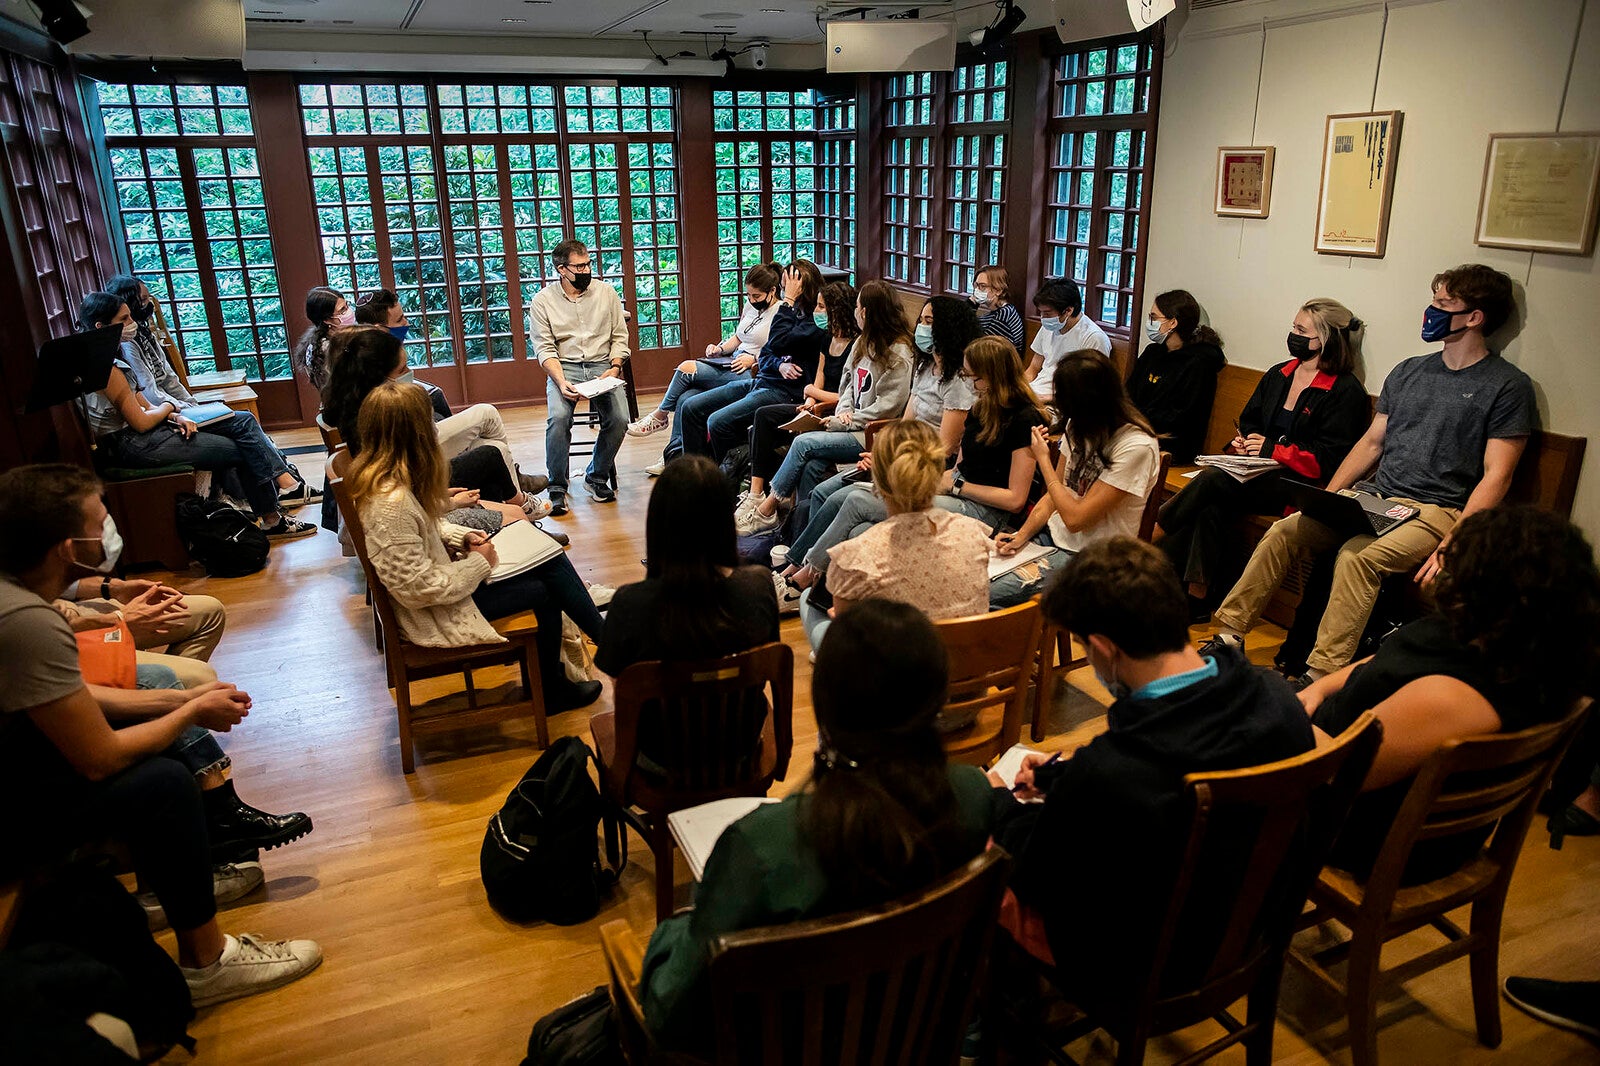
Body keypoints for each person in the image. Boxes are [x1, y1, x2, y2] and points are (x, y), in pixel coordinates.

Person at [0, 464, 322, 1007]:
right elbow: (100, 757)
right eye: (99, 520)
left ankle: (176, 881)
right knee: (163, 783)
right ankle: (207, 961)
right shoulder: (28, 622)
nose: (109, 529)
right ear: (63, 548)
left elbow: (79, 703)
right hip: (10, 813)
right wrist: (190, 713)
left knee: (158, 735)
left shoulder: (16, 596)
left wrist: (184, 702)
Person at [638, 598, 994, 1055]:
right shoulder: (972, 794)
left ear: (823, 705)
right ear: (938, 695)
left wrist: (676, 929)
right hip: (910, 1039)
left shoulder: (762, 846)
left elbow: (670, 1011)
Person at [989, 536, 1313, 999]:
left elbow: (1036, 877)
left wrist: (1000, 798)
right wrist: (1061, 778)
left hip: (1139, 966)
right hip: (1250, 933)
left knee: (976, 850)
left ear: (1103, 648)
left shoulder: (1115, 771)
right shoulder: (1278, 700)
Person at [1207, 265, 1537, 682]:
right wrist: (1326, 499)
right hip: (1376, 496)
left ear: (1474, 318)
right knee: (1285, 530)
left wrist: (1456, 544)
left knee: (1356, 557)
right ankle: (1230, 635)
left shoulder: (1506, 386)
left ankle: (1319, 674)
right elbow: (1370, 445)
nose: (1431, 311)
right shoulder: (1409, 371)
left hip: (1436, 509)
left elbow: (1497, 476)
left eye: (1443, 304)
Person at [1300, 506, 1600, 883]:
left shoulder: (1451, 697)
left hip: (1358, 828)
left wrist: (1272, 707)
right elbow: (1387, 659)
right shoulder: (1513, 650)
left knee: (1213, 779)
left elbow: (1339, 770)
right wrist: (1319, 688)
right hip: (1349, 769)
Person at [347, 382, 605, 711]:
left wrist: (461, 537)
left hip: (441, 590)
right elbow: (416, 589)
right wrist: (478, 563)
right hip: (433, 613)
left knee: (546, 558)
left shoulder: (388, 481)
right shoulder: (391, 503)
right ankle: (560, 682)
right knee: (544, 586)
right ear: (415, 435)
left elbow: (424, 528)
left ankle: (582, 658)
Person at [776, 336, 1046, 597]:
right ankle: (808, 574)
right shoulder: (981, 408)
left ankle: (803, 578)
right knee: (847, 505)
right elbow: (960, 468)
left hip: (985, 510)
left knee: (858, 501)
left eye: (972, 376)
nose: (969, 383)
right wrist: (900, 474)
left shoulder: (1025, 419)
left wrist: (955, 486)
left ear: (992, 376)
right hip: (956, 489)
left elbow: (1014, 500)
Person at [1158, 298, 1371, 610]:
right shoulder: (1279, 374)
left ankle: (1152, 535)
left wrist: (1273, 449)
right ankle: (1196, 599)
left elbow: (1329, 457)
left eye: (1302, 330)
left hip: (1300, 486)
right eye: (1293, 327)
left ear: (1325, 339)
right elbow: (1249, 421)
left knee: (1213, 482)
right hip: (1257, 473)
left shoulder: (1345, 391)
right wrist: (1244, 442)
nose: (1293, 334)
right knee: (1210, 504)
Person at [773, 296, 981, 608]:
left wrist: (892, 462)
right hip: (902, 455)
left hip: (923, 467)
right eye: (921, 320)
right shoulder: (926, 368)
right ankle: (797, 565)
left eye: (928, 323)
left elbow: (946, 447)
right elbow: (905, 423)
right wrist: (884, 453)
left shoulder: (959, 382)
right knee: (823, 490)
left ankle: (803, 577)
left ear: (948, 330)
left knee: (845, 494)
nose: (921, 328)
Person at [76, 293, 317, 541]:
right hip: (132, 444)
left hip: (148, 432)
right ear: (100, 326)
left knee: (242, 420)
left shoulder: (112, 357)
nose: (131, 322)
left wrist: (175, 416)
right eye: (124, 319)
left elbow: (144, 405)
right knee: (243, 446)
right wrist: (169, 409)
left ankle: (274, 504)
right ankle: (273, 513)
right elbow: (139, 422)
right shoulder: (104, 368)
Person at [592, 456, 779, 771]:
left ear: (658, 523)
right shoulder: (760, 586)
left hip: (660, 760)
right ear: (725, 521)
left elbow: (621, 691)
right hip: (740, 750)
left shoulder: (630, 604)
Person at [736, 280, 913, 536]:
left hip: (872, 434)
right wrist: (843, 412)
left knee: (804, 443)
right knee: (812, 465)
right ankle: (799, 533)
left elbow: (886, 408)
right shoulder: (864, 341)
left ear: (867, 312)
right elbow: (848, 387)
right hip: (849, 423)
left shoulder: (899, 353)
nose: (855, 312)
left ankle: (766, 510)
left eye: (858, 306)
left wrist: (844, 421)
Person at [321, 326, 549, 520]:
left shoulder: (348, 400)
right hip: (415, 495)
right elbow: (412, 472)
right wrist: (448, 501)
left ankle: (518, 510)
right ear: (377, 376)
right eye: (402, 370)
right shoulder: (383, 413)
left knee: (491, 451)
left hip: (410, 486)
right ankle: (520, 508)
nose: (410, 373)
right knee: (490, 452)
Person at [990, 352, 1162, 608]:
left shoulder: (1136, 446)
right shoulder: (1079, 425)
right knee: (972, 575)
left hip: (1096, 558)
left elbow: (1076, 520)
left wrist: (1044, 461)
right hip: (1053, 538)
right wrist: (1021, 535)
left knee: (987, 594)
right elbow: (1053, 497)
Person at [798, 420, 990, 650]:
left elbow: (846, 638)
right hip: (965, 674)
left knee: (807, 599)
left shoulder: (852, 558)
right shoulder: (975, 534)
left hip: (892, 681)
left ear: (877, 478)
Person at [676, 260, 827, 462]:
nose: (784, 292)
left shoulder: (814, 321)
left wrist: (788, 300)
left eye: (787, 287)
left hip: (783, 392)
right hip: (762, 381)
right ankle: (696, 475)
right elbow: (766, 353)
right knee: (690, 406)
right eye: (784, 287)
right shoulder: (791, 312)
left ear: (801, 287)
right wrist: (779, 364)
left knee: (718, 422)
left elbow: (779, 342)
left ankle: (731, 478)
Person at [627, 263, 783, 458]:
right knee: (686, 398)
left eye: (756, 296)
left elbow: (779, 349)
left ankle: (660, 415)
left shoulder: (781, 312)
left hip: (750, 371)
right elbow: (738, 337)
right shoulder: (751, 306)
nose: (751, 300)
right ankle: (675, 454)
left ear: (772, 291)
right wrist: (719, 349)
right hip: (731, 361)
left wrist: (753, 359)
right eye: (748, 296)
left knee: (686, 368)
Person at [529, 238, 631, 514]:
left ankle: (596, 477)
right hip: (565, 367)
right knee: (559, 419)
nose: (586, 270)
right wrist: (560, 381)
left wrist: (615, 366)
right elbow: (544, 348)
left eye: (588, 264)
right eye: (580, 266)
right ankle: (557, 486)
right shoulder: (542, 302)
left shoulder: (607, 293)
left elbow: (620, 337)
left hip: (601, 366)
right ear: (562, 270)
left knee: (620, 419)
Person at [740, 280, 860, 497]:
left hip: (837, 409)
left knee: (788, 435)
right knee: (764, 416)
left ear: (837, 309)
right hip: (817, 405)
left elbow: (847, 395)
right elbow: (819, 376)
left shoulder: (856, 345)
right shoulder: (827, 337)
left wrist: (811, 394)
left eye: (821, 307)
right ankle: (756, 493)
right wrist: (809, 404)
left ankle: (773, 500)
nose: (816, 311)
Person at [55, 563, 227, 690]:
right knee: (200, 678)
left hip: (70, 610)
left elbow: (58, 582)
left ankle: (165, 703)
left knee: (209, 611)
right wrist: (116, 620)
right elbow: (42, 633)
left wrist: (115, 588)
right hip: (58, 641)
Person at [1126, 289, 1227, 464]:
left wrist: (1135, 421)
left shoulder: (1198, 364)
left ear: (1173, 322)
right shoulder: (1152, 352)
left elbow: (1180, 419)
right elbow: (1127, 394)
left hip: (1172, 448)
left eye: (1154, 317)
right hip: (1137, 435)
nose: (1149, 322)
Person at [350, 287, 458, 424]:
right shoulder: (369, 362)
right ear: (379, 329)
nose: (406, 323)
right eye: (400, 319)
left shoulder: (367, 348)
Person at [1024, 278, 1111, 404]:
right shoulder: (1049, 326)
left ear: (1068, 310)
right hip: (1036, 393)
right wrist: (1018, 389)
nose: (1043, 318)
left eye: (1047, 314)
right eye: (1041, 313)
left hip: (1061, 403)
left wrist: (1046, 399)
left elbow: (1088, 391)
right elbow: (1033, 369)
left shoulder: (1094, 338)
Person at [294, 285, 352, 392]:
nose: (349, 312)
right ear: (327, 320)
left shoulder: (345, 336)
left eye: (347, 305)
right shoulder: (326, 347)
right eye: (342, 310)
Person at [971, 263, 1025, 351]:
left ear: (998, 290)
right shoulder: (996, 311)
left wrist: (971, 305)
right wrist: (972, 303)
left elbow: (978, 345)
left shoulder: (1005, 315)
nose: (977, 290)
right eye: (976, 285)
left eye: (983, 286)